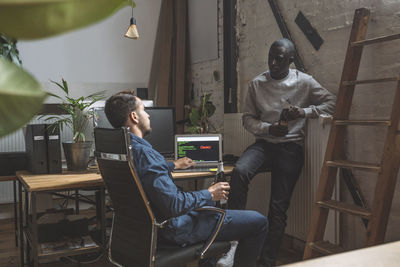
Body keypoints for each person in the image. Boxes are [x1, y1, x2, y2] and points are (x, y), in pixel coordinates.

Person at [104, 92, 268, 267]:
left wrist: (171, 165)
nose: (148, 114)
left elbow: (144, 172)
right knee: (259, 221)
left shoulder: (123, 149)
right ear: (134, 116)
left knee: (211, 207)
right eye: (144, 110)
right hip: (174, 228)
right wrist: (209, 193)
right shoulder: (146, 154)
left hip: (142, 231)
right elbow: (174, 205)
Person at [227, 38, 336, 267]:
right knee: (239, 171)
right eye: (271, 57)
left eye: (280, 58)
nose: (274, 62)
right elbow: (247, 118)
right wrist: (269, 128)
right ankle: (232, 241)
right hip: (264, 144)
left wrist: (304, 112)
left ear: (291, 60)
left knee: (278, 208)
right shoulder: (257, 84)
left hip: (291, 147)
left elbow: (331, 103)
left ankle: (266, 262)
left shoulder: (304, 82)